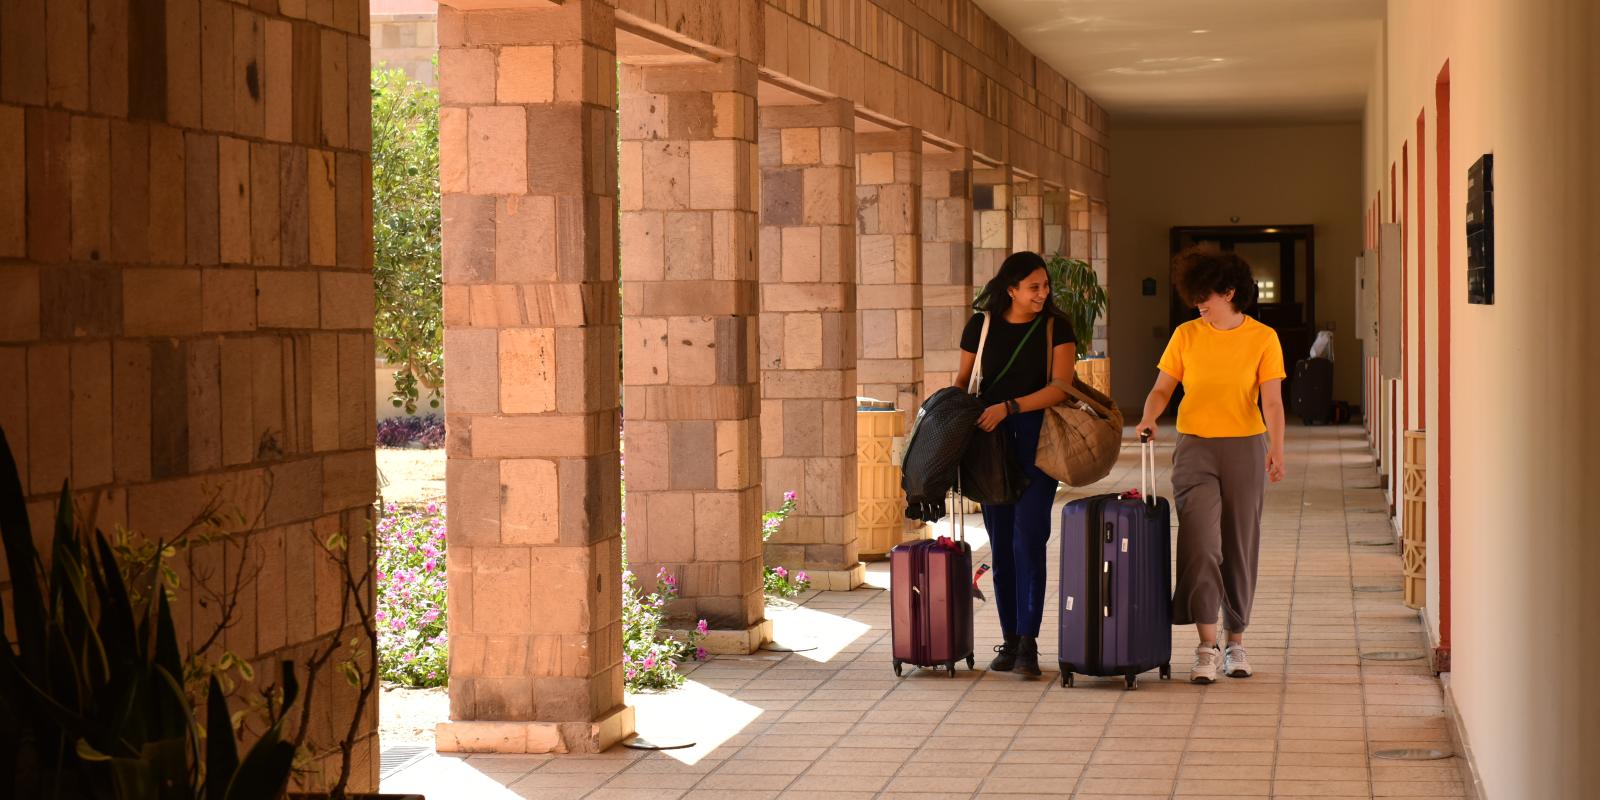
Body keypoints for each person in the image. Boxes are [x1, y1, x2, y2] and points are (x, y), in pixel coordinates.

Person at [1135, 247, 1287, 684]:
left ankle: (1235, 642)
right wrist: (1149, 416)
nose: (1200, 302)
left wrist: (1277, 447)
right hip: (1195, 449)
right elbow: (1163, 388)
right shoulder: (1186, 335)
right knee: (1200, 544)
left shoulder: (1262, 337)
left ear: (1230, 291)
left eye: (1208, 294)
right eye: (1195, 294)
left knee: (1240, 544)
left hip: (1244, 448)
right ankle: (1206, 645)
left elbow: (1272, 400)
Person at [955, 251, 1077, 678]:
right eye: (1033, 287)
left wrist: (1010, 407)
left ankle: (1029, 641)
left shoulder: (1055, 327)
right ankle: (1009, 641)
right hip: (990, 444)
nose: (1043, 294)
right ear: (1010, 289)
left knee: (1030, 538)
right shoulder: (981, 326)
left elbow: (1061, 387)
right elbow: (963, 383)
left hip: (1037, 440)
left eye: (1045, 286)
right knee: (1002, 543)